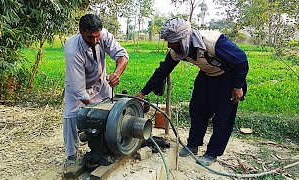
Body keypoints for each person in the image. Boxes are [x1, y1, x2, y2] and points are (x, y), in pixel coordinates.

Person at [136, 18, 248, 166]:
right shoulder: (177, 51)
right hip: (206, 76)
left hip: (228, 77)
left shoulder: (213, 43)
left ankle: (212, 153)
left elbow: (241, 60)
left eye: (172, 41)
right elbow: (162, 72)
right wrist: (143, 93)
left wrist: (238, 86)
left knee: (223, 117)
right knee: (197, 110)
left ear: (184, 39)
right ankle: (193, 145)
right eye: (168, 42)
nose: (170, 45)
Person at [63, 14, 129, 165]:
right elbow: (79, 90)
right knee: (71, 118)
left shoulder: (103, 35)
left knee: (110, 113)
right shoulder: (72, 49)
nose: (94, 40)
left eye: (97, 36)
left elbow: (123, 55)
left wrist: (117, 73)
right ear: (81, 32)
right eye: (90, 37)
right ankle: (71, 156)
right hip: (77, 87)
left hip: (100, 81)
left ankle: (107, 147)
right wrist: (94, 110)